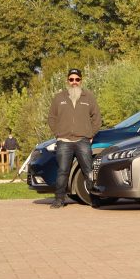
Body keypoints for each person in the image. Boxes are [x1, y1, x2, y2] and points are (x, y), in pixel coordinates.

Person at [47, 68, 101, 209]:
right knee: (63, 170)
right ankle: (59, 199)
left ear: (81, 80)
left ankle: (94, 198)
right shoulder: (59, 97)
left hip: (83, 140)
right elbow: (52, 117)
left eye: (77, 79)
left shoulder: (88, 97)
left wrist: (91, 134)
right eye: (71, 79)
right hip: (64, 141)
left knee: (88, 170)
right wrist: (57, 133)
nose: (74, 82)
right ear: (67, 81)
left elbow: (97, 118)